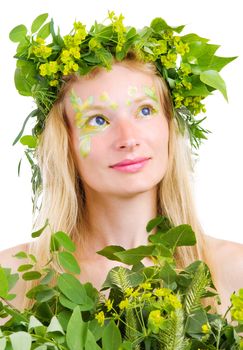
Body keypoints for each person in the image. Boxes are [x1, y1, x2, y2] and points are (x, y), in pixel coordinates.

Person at [0, 12, 242, 319]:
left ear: (169, 126)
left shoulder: (234, 275)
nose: (128, 138)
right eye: (98, 120)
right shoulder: (11, 284)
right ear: (67, 144)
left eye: (144, 110)